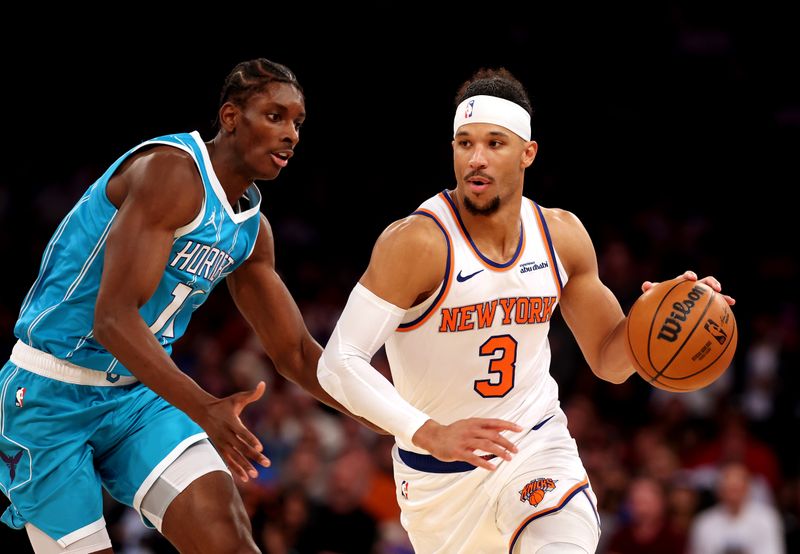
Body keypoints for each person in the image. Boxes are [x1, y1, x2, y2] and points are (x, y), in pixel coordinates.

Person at [317, 67, 736, 553]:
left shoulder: (561, 235)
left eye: (495, 143)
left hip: (536, 445)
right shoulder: (417, 243)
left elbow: (610, 360)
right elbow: (338, 363)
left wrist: (656, 316)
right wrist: (430, 433)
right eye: (464, 143)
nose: (476, 158)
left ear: (527, 153)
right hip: (439, 479)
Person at [0, 58, 369, 554]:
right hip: (50, 391)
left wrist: (405, 427)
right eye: (275, 116)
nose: (291, 135)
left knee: (230, 541)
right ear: (232, 116)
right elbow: (112, 320)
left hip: (137, 397)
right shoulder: (171, 172)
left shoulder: (251, 231)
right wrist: (206, 408)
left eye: (298, 123)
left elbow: (298, 355)